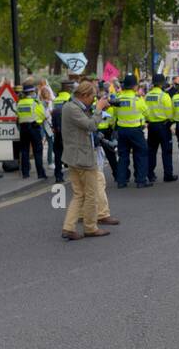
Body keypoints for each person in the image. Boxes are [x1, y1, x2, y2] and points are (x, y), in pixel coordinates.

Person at [60, 80, 114, 240]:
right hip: (82, 157)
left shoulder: (71, 106)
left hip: (73, 156)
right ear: (84, 95)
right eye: (92, 97)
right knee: (90, 194)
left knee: (79, 194)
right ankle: (90, 227)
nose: (94, 100)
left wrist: (96, 109)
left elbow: (84, 120)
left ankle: (69, 227)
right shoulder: (72, 109)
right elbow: (90, 125)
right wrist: (98, 110)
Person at [109, 74, 149, 189]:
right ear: (135, 86)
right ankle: (141, 180)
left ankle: (121, 181)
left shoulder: (118, 98)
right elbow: (147, 113)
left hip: (122, 131)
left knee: (123, 155)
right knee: (141, 153)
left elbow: (114, 115)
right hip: (136, 130)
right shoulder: (137, 99)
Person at [16, 84, 48, 179]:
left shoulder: (20, 103)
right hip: (34, 128)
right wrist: (38, 120)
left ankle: (25, 173)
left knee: (24, 151)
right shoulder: (35, 103)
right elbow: (43, 115)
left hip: (23, 129)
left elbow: (18, 114)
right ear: (31, 92)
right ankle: (40, 173)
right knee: (37, 151)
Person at [51, 79, 72, 183]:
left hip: (57, 131)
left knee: (58, 155)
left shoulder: (55, 100)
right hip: (68, 131)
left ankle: (58, 175)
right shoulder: (71, 99)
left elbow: (51, 114)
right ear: (68, 88)